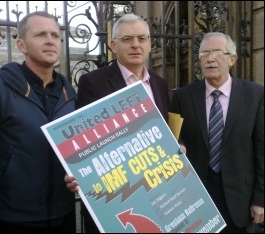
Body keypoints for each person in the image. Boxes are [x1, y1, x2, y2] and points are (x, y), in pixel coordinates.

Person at [64, 13, 185, 233]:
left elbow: (165, 128)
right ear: (113, 45)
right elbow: (85, 140)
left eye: (141, 38)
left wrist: (179, 145)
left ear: (149, 44)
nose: (136, 45)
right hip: (115, 197)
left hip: (156, 192)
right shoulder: (93, 82)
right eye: (128, 39)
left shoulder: (159, 83)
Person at [0, 11, 77, 233]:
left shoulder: (69, 93)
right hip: (14, 216)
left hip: (63, 212)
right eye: (41, 34)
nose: (50, 40)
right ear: (21, 45)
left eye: (55, 35)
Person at [170, 32, 264, 233]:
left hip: (241, 200)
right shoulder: (182, 98)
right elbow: (174, 138)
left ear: (233, 59)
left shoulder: (255, 95)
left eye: (217, 53)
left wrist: (260, 198)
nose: (210, 59)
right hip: (195, 198)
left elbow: (262, 150)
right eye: (204, 54)